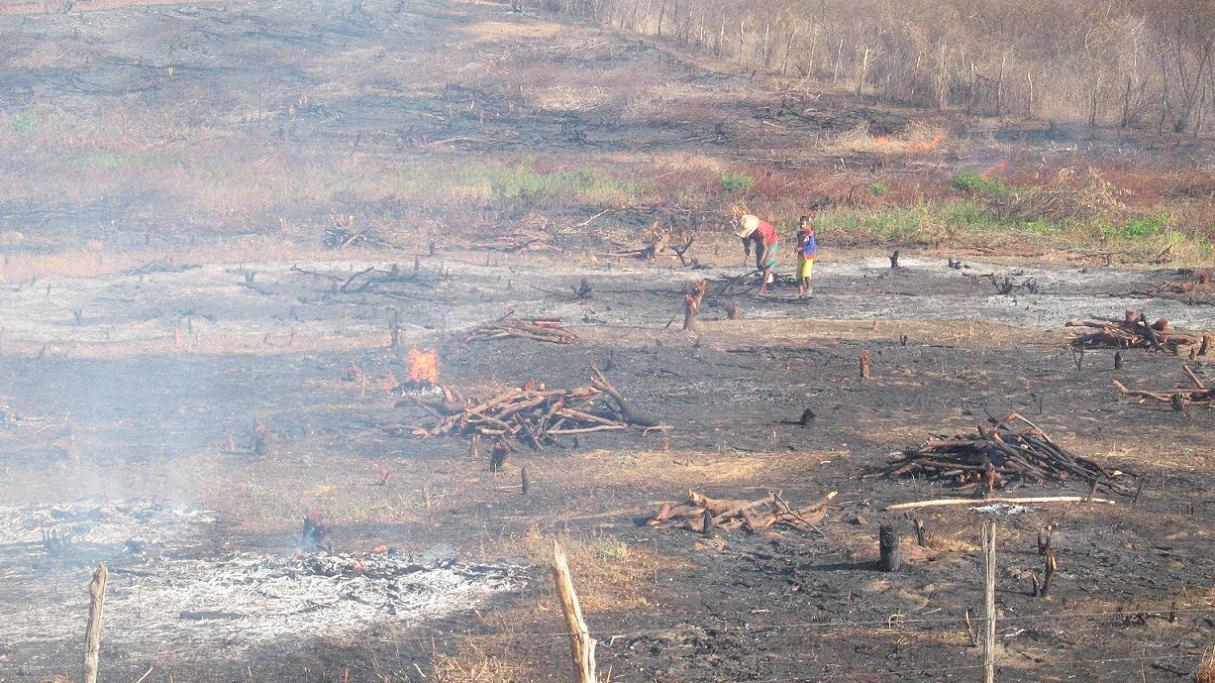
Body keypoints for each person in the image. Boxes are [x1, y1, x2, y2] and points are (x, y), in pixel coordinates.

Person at [735, 214, 779, 293]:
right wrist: (747, 247)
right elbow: (744, 237)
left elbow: (764, 247)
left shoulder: (761, 231)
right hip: (760, 243)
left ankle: (762, 289)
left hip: (770, 241)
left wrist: (761, 260)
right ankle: (770, 281)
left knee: (766, 264)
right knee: (759, 265)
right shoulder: (745, 227)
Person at [794, 215, 817, 298]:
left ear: (808, 224)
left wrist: (802, 248)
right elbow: (799, 243)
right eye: (800, 224)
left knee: (806, 273)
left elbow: (812, 246)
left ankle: (809, 288)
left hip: (809, 255)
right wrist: (797, 247)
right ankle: (800, 292)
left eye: (803, 224)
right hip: (800, 255)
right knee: (798, 275)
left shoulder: (810, 234)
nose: (801, 225)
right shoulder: (799, 233)